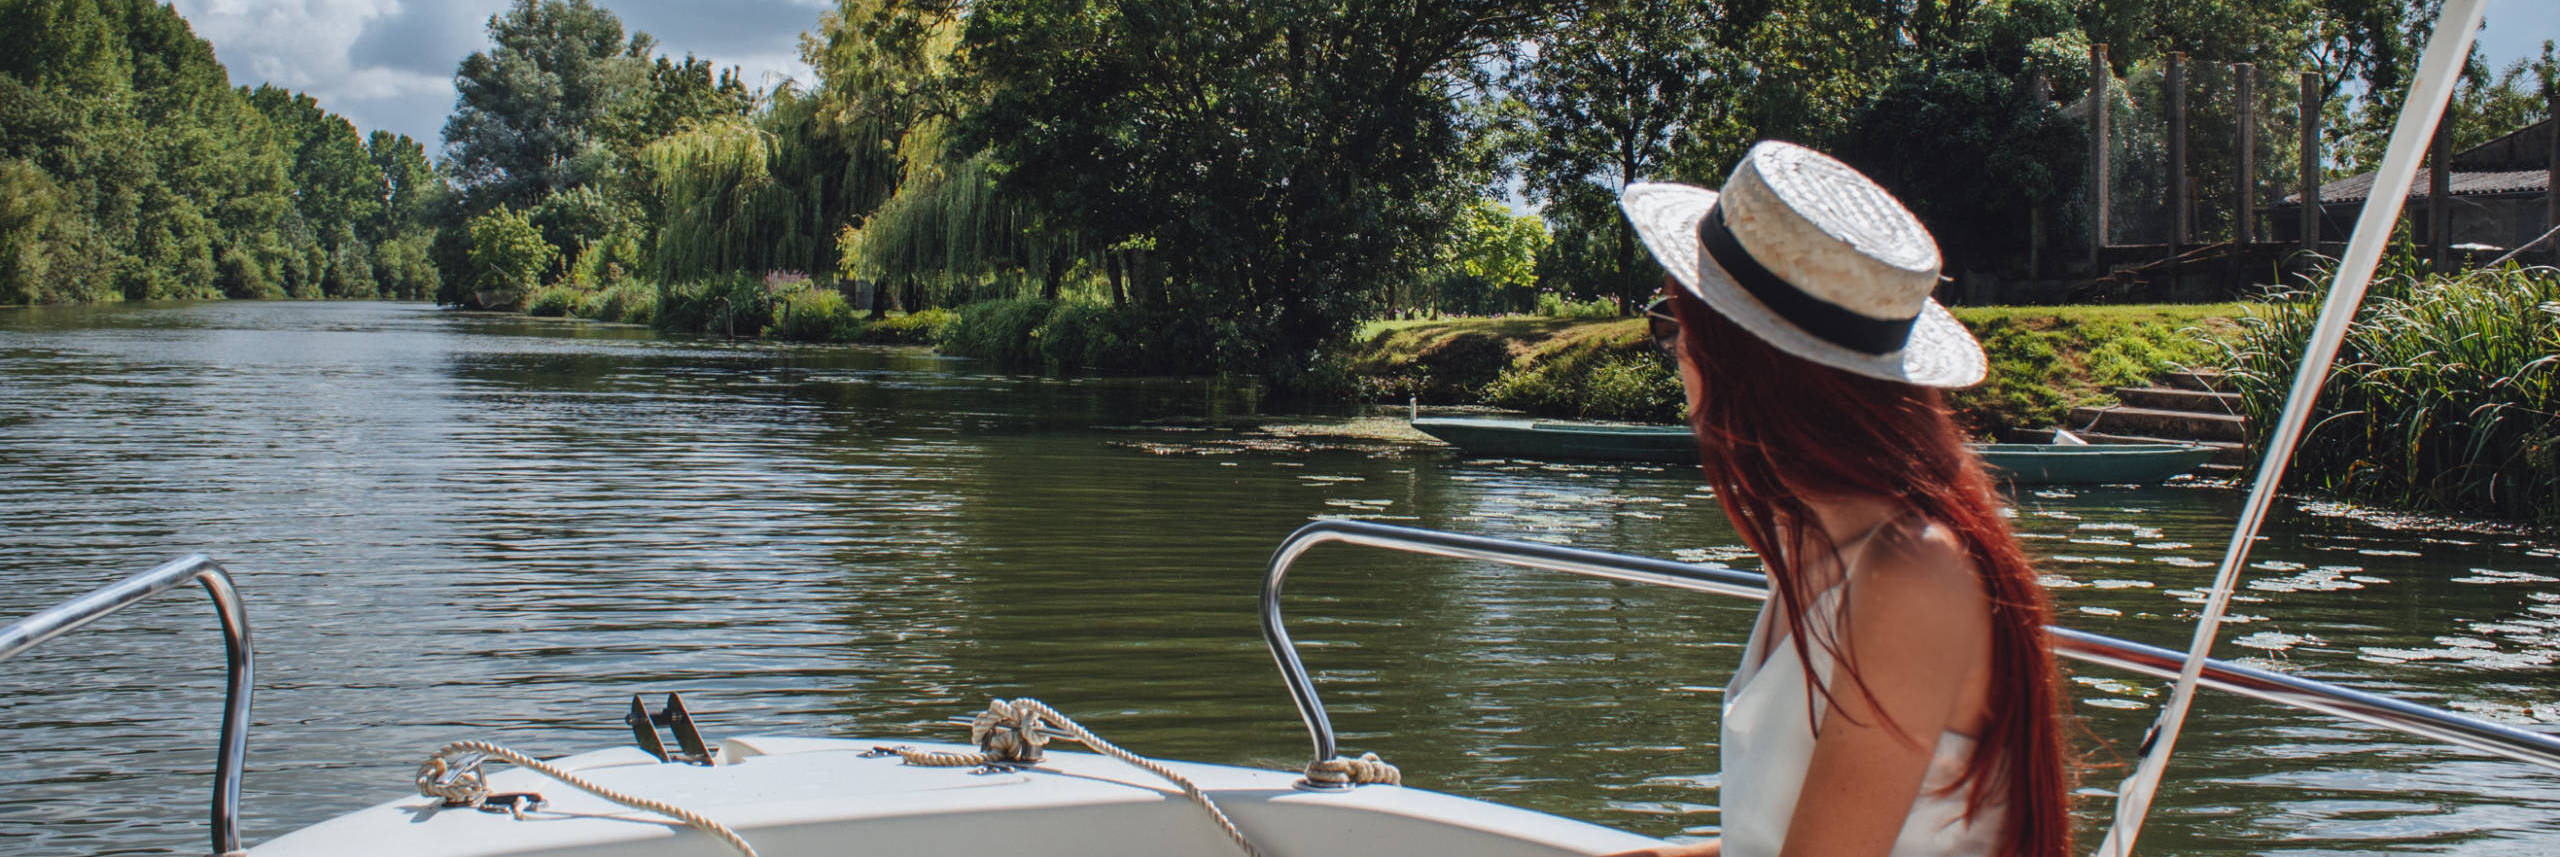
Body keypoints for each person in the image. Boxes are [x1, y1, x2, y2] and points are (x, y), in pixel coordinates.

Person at [1601, 141, 2070, 857]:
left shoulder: (1909, 573)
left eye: (1676, 325)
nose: (1678, 359)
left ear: (1740, 358)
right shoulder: (1819, 542)